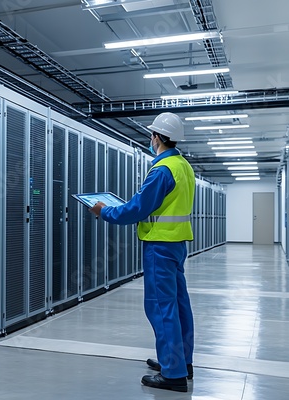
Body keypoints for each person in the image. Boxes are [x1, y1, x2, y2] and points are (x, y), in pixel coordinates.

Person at [90, 112, 195, 393]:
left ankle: (173, 374)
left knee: (161, 307)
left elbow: (138, 208)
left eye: (152, 136)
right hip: (176, 245)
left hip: (159, 246)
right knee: (179, 305)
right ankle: (182, 362)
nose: (151, 140)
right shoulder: (183, 166)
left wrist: (105, 211)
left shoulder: (162, 170)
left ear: (157, 138)